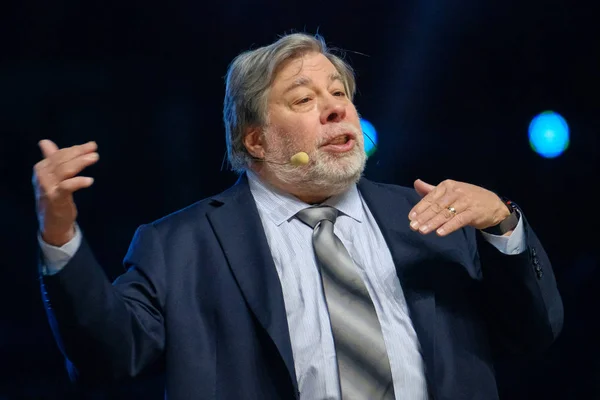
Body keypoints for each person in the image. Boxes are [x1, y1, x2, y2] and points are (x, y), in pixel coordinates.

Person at [32, 33, 563, 400]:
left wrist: (502, 226)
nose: (336, 108)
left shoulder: (431, 216)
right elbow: (108, 357)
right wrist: (60, 236)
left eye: (340, 94)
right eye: (304, 98)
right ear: (256, 139)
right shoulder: (180, 246)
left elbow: (533, 334)